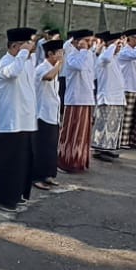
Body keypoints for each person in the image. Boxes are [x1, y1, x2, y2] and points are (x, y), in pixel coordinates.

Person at [0, 28, 39, 211]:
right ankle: (2, 198)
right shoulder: (5, 62)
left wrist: (26, 53)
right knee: (9, 162)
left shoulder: (27, 62)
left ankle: (17, 193)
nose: (31, 46)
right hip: (11, 121)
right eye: (26, 43)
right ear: (15, 46)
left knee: (23, 162)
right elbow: (12, 73)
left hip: (26, 120)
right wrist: (24, 53)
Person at [59, 29, 97, 172]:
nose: (90, 44)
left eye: (91, 41)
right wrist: (83, 50)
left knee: (83, 134)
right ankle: (66, 161)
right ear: (76, 42)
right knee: (71, 132)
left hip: (87, 98)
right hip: (75, 99)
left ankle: (79, 160)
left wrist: (86, 51)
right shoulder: (72, 55)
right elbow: (79, 66)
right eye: (87, 41)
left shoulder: (88, 55)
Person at [31, 39, 66, 191]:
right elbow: (48, 77)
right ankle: (36, 177)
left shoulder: (53, 68)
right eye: (59, 53)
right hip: (42, 113)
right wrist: (59, 64)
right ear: (50, 54)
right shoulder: (41, 68)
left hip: (53, 113)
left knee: (51, 147)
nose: (62, 56)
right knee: (41, 148)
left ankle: (48, 175)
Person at [90, 32, 125, 162]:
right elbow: (105, 58)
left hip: (117, 97)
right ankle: (100, 149)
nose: (119, 47)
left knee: (113, 125)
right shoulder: (104, 57)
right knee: (103, 125)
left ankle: (109, 148)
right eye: (118, 44)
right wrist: (112, 45)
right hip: (107, 96)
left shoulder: (115, 58)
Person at [117, 30, 136, 151]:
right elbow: (135, 56)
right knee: (126, 116)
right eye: (135, 38)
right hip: (127, 87)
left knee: (134, 116)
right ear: (129, 39)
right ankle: (122, 140)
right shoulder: (124, 50)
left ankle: (132, 139)